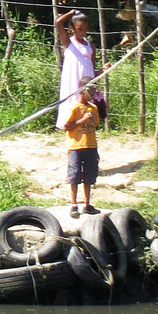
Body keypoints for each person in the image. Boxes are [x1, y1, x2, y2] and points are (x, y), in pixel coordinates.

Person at [55, 10, 104, 130]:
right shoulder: (68, 43)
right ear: (72, 28)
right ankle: (70, 124)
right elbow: (58, 22)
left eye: (85, 29)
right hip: (72, 79)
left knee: (86, 101)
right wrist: (72, 13)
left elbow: (92, 70)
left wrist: (103, 70)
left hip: (86, 80)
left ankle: (86, 123)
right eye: (79, 29)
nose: (83, 32)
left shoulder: (90, 46)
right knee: (72, 100)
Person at [61, 87, 100, 217]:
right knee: (75, 174)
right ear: (83, 91)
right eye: (90, 93)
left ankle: (87, 204)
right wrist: (81, 120)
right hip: (75, 146)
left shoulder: (93, 108)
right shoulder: (74, 108)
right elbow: (66, 126)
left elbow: (95, 124)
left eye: (94, 93)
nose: (92, 96)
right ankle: (73, 205)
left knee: (89, 175)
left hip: (90, 145)